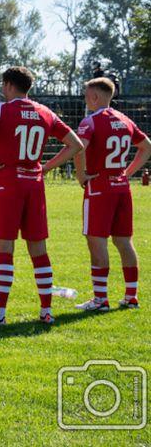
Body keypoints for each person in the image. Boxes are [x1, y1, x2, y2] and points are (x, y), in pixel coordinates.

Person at [0, 66, 84, 326]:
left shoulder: (0, 110)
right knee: (38, 249)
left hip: (7, 181)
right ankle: (46, 311)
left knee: (3, 250)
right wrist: (44, 167)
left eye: (3, 85)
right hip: (34, 183)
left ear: (10, 85)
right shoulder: (45, 112)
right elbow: (76, 145)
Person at [73, 77, 149, 311]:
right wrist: (128, 172)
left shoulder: (91, 121)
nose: (86, 100)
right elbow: (146, 146)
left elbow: (78, 147)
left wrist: (81, 175)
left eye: (87, 95)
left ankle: (100, 299)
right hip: (121, 187)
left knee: (97, 242)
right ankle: (131, 295)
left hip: (99, 187)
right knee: (124, 241)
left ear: (95, 96)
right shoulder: (125, 120)